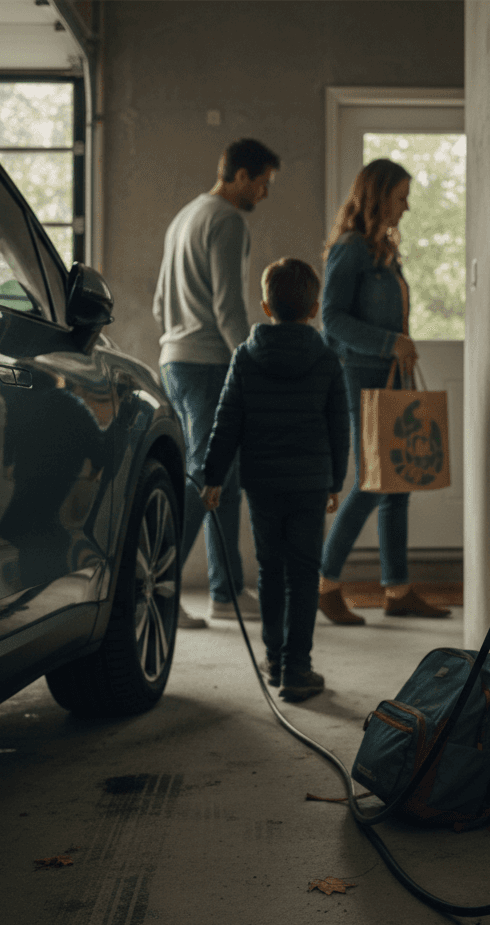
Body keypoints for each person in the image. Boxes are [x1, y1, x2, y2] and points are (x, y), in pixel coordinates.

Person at [199, 258, 349, 702]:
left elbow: (227, 420)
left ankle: (274, 660)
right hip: (309, 484)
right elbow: (339, 427)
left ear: (266, 307)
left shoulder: (246, 356)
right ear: (315, 309)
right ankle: (298, 668)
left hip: (262, 483)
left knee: (270, 570)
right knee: (303, 574)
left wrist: (213, 476)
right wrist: (335, 481)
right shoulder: (326, 359)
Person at [153, 137, 280, 629]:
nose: (265, 194)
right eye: (263, 183)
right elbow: (229, 308)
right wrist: (251, 364)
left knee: (222, 479)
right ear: (241, 176)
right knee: (207, 476)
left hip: (176, 361)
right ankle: (157, 591)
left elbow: (161, 303)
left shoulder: (185, 216)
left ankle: (226, 593)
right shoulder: (227, 220)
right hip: (207, 364)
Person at [317, 158, 451, 625]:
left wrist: (397, 347)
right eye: (401, 197)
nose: (407, 207)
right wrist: (389, 342)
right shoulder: (351, 249)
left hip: (391, 375)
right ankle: (325, 583)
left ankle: (397, 590)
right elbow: (331, 319)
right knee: (374, 481)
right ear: (378, 197)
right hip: (363, 375)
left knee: (398, 483)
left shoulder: (383, 250)